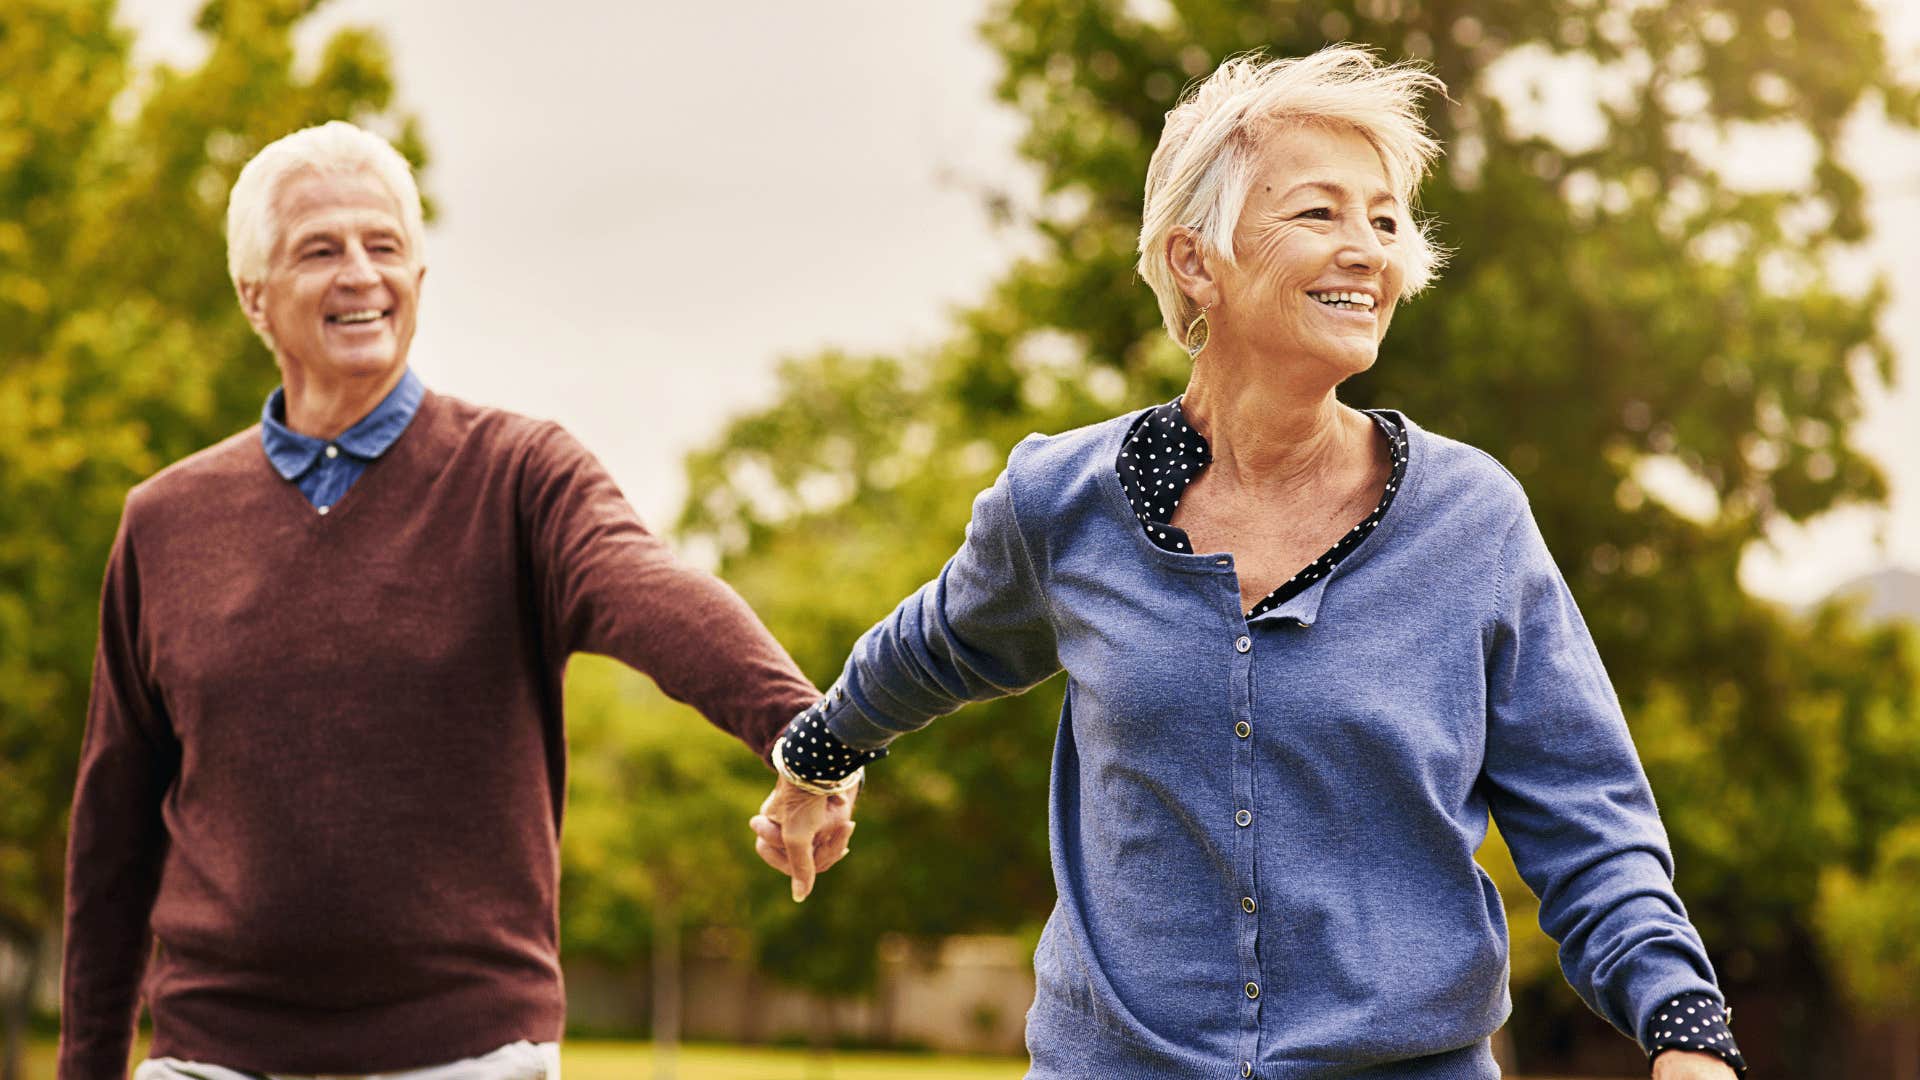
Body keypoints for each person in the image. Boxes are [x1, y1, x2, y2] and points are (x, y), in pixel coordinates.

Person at [751, 47, 1745, 1080]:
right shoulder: (1064, 506)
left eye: (1386, 220)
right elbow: (933, 647)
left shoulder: (1472, 524)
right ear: (1195, 262)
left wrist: (1685, 1031)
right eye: (1320, 214)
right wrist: (813, 762)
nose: (1367, 249)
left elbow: (1590, 820)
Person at [59, 121, 855, 1080]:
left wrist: (810, 734)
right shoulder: (164, 522)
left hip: (466, 1053)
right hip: (213, 1055)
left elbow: (650, 590)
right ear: (254, 298)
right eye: (321, 249)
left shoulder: (519, 476)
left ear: (420, 283)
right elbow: (113, 832)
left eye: (385, 245)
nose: (361, 273)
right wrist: (88, 1064)